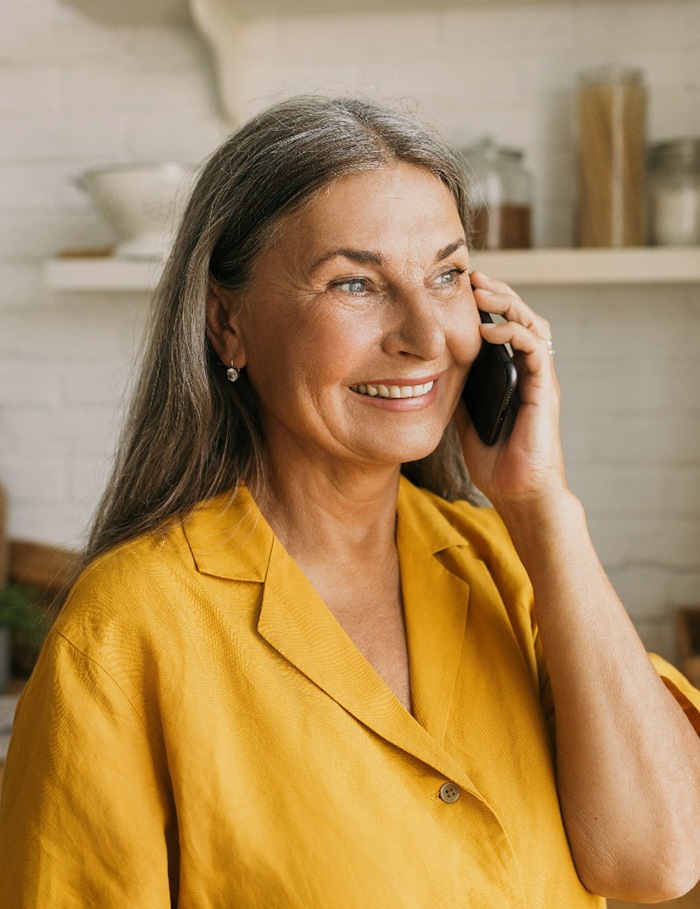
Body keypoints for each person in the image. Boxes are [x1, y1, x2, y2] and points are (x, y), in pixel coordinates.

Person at [0, 95, 699, 908]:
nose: (426, 336)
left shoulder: (505, 559)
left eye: (445, 273)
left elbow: (661, 856)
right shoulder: (125, 630)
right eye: (355, 282)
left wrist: (543, 507)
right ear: (226, 323)